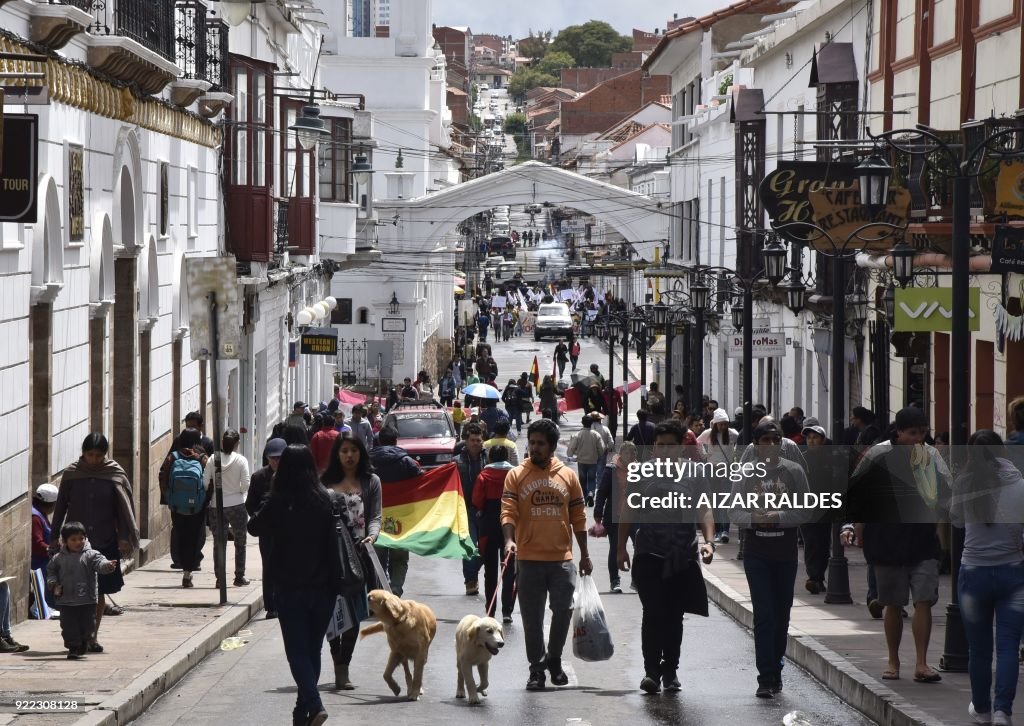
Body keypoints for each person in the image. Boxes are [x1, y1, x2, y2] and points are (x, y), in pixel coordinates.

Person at [842, 406, 950, 684]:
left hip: (922, 539)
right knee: (892, 602)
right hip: (887, 539)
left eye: (923, 433)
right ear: (899, 432)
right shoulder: (878, 455)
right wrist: (854, 525)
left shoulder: (931, 455)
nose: (918, 438)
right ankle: (893, 660)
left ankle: (922, 663)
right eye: (912, 433)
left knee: (924, 599)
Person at [617, 420, 715, 693]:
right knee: (653, 612)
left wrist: (709, 542)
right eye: (659, 446)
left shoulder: (695, 472)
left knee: (674, 615)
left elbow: (704, 508)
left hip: (682, 554)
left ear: (682, 446)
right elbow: (628, 510)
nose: (664, 450)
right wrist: (620, 547)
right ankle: (651, 671)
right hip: (649, 552)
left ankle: (670, 670)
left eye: (670, 445)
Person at [248, 445, 336, 726]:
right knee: (312, 650)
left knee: (297, 651)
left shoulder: (279, 499)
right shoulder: (325, 499)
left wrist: (271, 495)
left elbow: (254, 527)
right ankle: (303, 713)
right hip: (323, 589)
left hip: (289, 587)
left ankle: (314, 703)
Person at [501, 419, 592, 691]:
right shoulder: (516, 475)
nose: (535, 448)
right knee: (532, 618)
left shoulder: (568, 476)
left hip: (561, 559)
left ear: (552, 447)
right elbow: (507, 511)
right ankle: (536, 669)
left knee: (563, 612)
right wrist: (509, 541)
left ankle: (554, 658)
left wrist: (585, 554)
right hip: (528, 559)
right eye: (532, 443)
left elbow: (578, 516)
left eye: (541, 444)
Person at [729, 420, 812, 698]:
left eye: (776, 440)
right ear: (756, 445)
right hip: (757, 554)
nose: (771, 446)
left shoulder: (794, 471)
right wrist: (754, 519)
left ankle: (776, 663)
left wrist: (779, 517)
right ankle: (766, 677)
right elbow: (733, 512)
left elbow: (805, 511)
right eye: (766, 441)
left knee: (782, 615)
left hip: (785, 554)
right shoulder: (744, 473)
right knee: (764, 615)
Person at [951, 430, 1024, 725]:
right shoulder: (1020, 484)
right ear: (1001, 451)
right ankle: (1002, 710)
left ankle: (981, 709)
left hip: (973, 574)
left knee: (978, 649)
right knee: (1008, 646)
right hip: (1013, 574)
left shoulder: (965, 484)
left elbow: (956, 521)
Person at [52, 433, 139, 652]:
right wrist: (55, 536)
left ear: (104, 455)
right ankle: (76, 635)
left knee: (97, 591)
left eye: (98, 456)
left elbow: (124, 506)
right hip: (74, 543)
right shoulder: (72, 474)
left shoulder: (114, 473)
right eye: (90, 455)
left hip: (105, 539)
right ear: (83, 453)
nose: (93, 460)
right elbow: (61, 504)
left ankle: (92, 636)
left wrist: (124, 537)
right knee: (73, 589)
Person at [321, 435, 382, 691]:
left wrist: (372, 535)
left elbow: (376, 516)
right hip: (330, 556)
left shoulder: (372, 481)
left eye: (354, 451)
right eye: (344, 451)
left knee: (355, 614)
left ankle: (344, 665)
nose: (349, 455)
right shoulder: (324, 482)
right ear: (337, 454)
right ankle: (337, 661)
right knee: (334, 613)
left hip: (359, 557)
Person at [46, 521, 117, 659]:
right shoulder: (58, 558)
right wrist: (53, 584)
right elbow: (51, 572)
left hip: (87, 600)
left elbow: (100, 563)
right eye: (73, 539)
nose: (78, 542)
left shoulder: (91, 555)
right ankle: (73, 647)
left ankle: (85, 640)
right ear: (65, 541)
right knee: (68, 627)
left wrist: (107, 566)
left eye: (81, 538)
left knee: (88, 625)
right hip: (66, 600)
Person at [370, 426, 422, 596]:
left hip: (375, 518)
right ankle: (395, 590)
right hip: (402, 519)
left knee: (377, 559)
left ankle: (380, 594)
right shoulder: (406, 461)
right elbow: (420, 481)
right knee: (399, 559)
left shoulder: (367, 462)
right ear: (395, 441)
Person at [160, 429, 211, 589]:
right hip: (197, 506)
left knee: (180, 534)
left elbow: (163, 477)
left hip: (177, 505)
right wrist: (205, 500)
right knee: (195, 536)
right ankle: (189, 570)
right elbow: (210, 481)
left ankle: (183, 566)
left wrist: (169, 497)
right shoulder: (203, 459)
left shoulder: (172, 457)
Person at [472, 444, 517, 622]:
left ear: (490, 458)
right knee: (509, 569)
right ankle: (507, 611)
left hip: (489, 527)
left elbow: (477, 500)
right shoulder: (514, 474)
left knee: (490, 572)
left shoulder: (484, 476)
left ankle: (490, 611)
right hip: (511, 526)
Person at [204, 429, 252, 588]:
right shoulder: (241, 460)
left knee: (219, 543)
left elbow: (204, 483)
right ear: (237, 443)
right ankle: (239, 576)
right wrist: (237, 491)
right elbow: (245, 484)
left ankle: (220, 578)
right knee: (240, 541)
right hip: (237, 504)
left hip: (216, 505)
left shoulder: (213, 459)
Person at [246, 437, 286, 619]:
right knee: (269, 567)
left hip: (287, 531)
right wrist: (260, 518)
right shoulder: (259, 477)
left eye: (279, 458)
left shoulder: (293, 476)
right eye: (273, 458)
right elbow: (250, 504)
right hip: (268, 532)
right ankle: (271, 605)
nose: (276, 462)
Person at [800, 421, 833, 595]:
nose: (811, 441)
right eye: (809, 438)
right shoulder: (802, 459)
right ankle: (814, 577)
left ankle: (819, 577)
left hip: (826, 507)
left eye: (815, 438)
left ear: (822, 440)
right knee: (811, 543)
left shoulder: (831, 459)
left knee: (824, 544)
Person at [697, 408, 740, 543]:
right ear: (715, 424)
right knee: (714, 500)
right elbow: (697, 442)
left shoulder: (732, 434)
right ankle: (717, 530)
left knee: (725, 499)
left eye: (725, 424)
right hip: (712, 469)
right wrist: (704, 455)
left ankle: (725, 530)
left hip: (726, 470)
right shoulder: (708, 433)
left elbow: (740, 443)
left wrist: (734, 456)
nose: (723, 427)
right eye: (720, 424)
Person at [456, 423, 487, 596]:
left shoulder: (488, 459)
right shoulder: (456, 462)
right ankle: (470, 581)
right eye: (473, 440)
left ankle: (473, 573)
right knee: (469, 547)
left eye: (479, 440)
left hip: (485, 511)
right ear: (466, 442)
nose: (476, 443)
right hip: (465, 511)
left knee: (484, 548)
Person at [567, 415, 606, 507]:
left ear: (582, 423)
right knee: (592, 479)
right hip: (592, 461)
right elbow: (602, 448)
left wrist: (570, 455)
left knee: (582, 480)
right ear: (591, 423)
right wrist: (599, 456)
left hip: (581, 461)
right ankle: (591, 493)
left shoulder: (578, 435)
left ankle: (584, 498)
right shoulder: (596, 435)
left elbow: (571, 448)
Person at [32, 483, 58, 571]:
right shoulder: (35, 518)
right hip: (39, 564)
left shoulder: (41, 513)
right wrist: (54, 551)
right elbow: (38, 544)